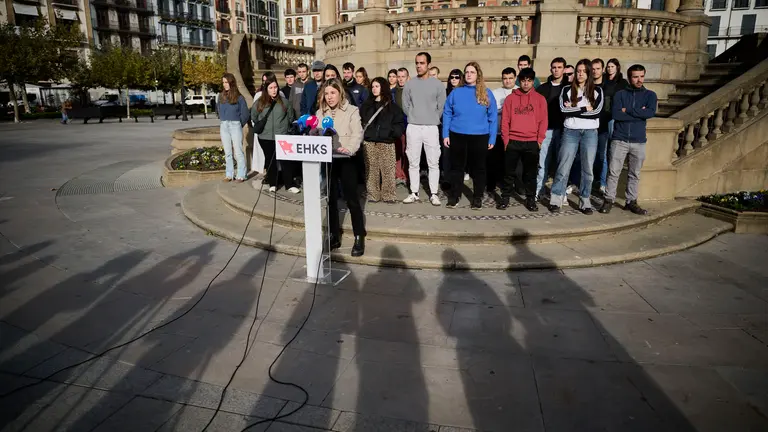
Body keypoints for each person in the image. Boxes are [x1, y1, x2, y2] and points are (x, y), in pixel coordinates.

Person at [317, 78, 366, 257]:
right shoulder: (320, 113)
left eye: (333, 93)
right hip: (328, 160)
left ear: (340, 93)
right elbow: (315, 132)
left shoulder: (352, 110)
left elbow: (357, 133)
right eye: (327, 93)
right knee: (330, 199)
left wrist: (350, 149)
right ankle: (334, 235)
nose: (329, 97)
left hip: (346, 159)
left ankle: (359, 235)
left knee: (352, 199)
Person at [599, 64, 657, 216]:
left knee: (635, 173)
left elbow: (650, 113)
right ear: (629, 77)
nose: (639, 80)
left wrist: (628, 110)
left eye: (641, 76)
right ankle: (609, 200)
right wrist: (639, 112)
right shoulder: (620, 94)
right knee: (613, 172)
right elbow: (617, 115)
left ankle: (631, 201)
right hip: (620, 139)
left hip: (638, 140)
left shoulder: (650, 95)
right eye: (635, 77)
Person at [548, 58, 603, 214]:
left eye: (584, 71)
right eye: (578, 71)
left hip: (590, 133)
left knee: (588, 169)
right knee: (563, 166)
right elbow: (563, 111)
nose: (580, 74)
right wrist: (585, 107)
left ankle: (585, 200)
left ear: (589, 73)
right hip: (571, 132)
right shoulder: (566, 90)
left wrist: (574, 107)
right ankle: (556, 199)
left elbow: (597, 112)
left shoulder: (597, 91)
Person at [442, 61, 497, 210]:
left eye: (472, 72)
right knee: (457, 168)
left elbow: (493, 117)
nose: (468, 75)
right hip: (457, 134)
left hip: (479, 136)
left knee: (479, 168)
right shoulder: (456, 92)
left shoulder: (486, 92)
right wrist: (445, 134)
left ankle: (477, 197)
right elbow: (447, 112)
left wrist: (492, 137)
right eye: (466, 72)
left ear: (478, 74)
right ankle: (455, 195)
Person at [497, 68, 548, 212]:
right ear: (520, 81)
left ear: (533, 81)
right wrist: (506, 140)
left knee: (530, 174)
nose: (526, 83)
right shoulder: (510, 99)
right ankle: (505, 197)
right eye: (524, 80)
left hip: (532, 141)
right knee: (509, 173)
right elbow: (505, 120)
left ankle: (530, 199)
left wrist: (539, 140)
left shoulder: (540, 99)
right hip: (513, 140)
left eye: (529, 81)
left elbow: (543, 121)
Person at [402, 52, 446, 205]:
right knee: (413, 161)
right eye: (417, 63)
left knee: (433, 162)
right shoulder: (410, 84)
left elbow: (441, 107)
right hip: (413, 127)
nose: (419, 66)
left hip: (431, 127)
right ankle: (414, 192)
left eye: (422, 63)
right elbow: (405, 105)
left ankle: (433, 193)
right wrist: (414, 117)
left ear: (428, 64)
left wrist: (431, 118)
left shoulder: (438, 85)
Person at [360, 77, 405, 203]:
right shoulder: (367, 105)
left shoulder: (393, 107)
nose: (374, 89)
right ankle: (373, 194)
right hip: (369, 142)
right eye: (373, 86)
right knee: (371, 170)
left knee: (388, 170)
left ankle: (389, 195)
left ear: (383, 88)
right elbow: (361, 120)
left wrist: (391, 133)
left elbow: (399, 123)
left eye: (377, 86)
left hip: (386, 142)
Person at [251, 76, 298, 193]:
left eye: (275, 87)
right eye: (271, 87)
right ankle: (273, 183)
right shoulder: (259, 103)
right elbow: (254, 117)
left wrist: (285, 128)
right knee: (270, 161)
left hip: (282, 136)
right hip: (266, 137)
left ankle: (289, 184)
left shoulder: (285, 103)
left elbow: (291, 117)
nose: (274, 90)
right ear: (266, 89)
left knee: (285, 161)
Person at [534, 57, 567, 201]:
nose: (556, 70)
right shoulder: (542, 88)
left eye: (559, 67)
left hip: (564, 130)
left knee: (562, 163)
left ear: (564, 69)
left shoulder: (569, 87)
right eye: (554, 67)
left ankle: (559, 192)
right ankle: (539, 190)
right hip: (546, 130)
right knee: (543, 163)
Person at [489, 67, 518, 195]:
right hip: (498, 132)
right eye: (505, 78)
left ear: (515, 78)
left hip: (515, 133)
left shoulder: (519, 91)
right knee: (497, 160)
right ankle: (495, 183)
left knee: (512, 162)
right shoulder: (496, 93)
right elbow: (493, 110)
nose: (507, 81)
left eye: (510, 78)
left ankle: (513, 185)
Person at [217, 73, 250, 182]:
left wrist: (238, 124)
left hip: (235, 125)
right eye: (223, 82)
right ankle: (229, 174)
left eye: (226, 82)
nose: (225, 85)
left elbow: (245, 114)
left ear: (231, 82)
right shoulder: (220, 97)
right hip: (224, 125)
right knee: (227, 152)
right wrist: (222, 118)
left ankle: (241, 174)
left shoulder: (239, 97)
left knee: (238, 151)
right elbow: (218, 109)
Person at [394, 67, 410, 185]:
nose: (400, 79)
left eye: (403, 76)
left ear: (407, 77)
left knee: (407, 151)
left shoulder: (412, 91)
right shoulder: (392, 92)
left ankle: (406, 175)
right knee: (397, 151)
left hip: (408, 125)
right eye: (398, 76)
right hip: (395, 126)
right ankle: (398, 174)